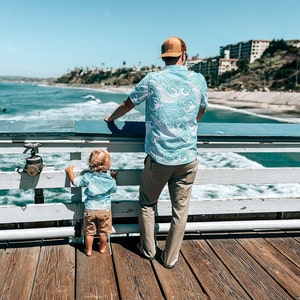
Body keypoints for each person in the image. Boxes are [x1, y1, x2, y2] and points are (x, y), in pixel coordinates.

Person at [104, 36, 208, 268]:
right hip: (187, 158)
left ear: (164, 57)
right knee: (180, 211)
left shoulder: (153, 79)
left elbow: (129, 103)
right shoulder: (198, 79)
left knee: (147, 203)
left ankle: (149, 250)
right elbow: (201, 111)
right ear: (184, 55)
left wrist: (112, 118)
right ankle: (170, 258)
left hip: (159, 158)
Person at [65, 149, 117, 256]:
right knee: (103, 232)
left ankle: (88, 250)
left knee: (89, 232)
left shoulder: (88, 176)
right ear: (107, 164)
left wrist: (70, 171)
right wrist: (114, 178)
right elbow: (114, 190)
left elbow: (75, 182)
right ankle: (102, 249)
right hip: (105, 210)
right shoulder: (110, 179)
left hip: (90, 209)